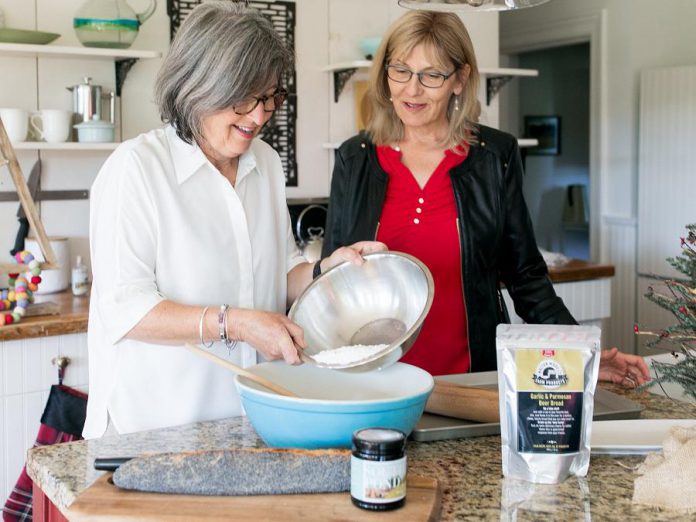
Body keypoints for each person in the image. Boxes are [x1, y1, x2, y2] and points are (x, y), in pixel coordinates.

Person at [83, 2, 384, 439]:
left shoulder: (264, 163)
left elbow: (281, 273)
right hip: (152, 432)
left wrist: (326, 270)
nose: (260, 116)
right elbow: (126, 313)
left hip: (247, 423)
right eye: (244, 99)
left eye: (270, 98)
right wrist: (236, 323)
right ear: (198, 87)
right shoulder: (137, 169)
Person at [322, 10, 649, 387]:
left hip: (472, 382)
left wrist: (583, 355)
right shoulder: (355, 158)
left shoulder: (494, 156)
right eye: (400, 70)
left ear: (459, 80)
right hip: (374, 384)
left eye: (431, 75)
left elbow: (527, 279)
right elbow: (333, 283)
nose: (412, 89)